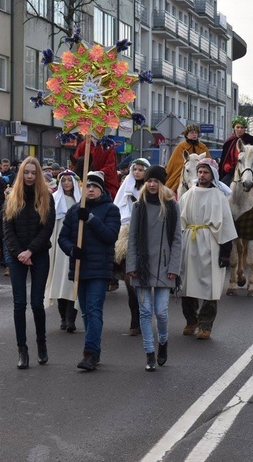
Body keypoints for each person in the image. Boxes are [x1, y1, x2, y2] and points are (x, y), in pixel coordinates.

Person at [58, 171, 121, 371]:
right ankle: (95, 348)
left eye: (94, 186)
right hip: (80, 267)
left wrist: (91, 219)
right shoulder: (75, 210)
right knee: (85, 311)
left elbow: (111, 236)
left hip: (99, 269)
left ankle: (90, 353)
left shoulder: (111, 210)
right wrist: (71, 249)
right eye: (88, 186)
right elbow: (63, 237)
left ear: (101, 189)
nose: (91, 189)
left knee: (94, 309)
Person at [125, 165, 182, 371]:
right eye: (149, 181)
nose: (151, 184)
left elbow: (177, 240)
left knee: (161, 312)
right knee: (145, 311)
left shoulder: (172, 205)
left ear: (161, 183)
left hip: (165, 266)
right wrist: (131, 265)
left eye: (155, 181)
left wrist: (174, 267)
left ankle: (163, 342)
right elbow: (131, 238)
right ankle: (149, 353)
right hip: (141, 267)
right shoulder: (138, 206)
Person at [3, 156, 56, 370]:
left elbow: (47, 229)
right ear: (21, 173)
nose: (30, 176)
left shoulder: (46, 198)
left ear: (39, 174)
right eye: (26, 172)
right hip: (17, 256)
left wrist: (31, 250)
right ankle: (22, 350)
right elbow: (7, 230)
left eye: (33, 173)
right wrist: (20, 253)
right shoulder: (11, 198)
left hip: (39, 254)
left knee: (36, 303)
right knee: (19, 303)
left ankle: (41, 345)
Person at [179, 158, 237, 340]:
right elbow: (179, 222)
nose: (202, 175)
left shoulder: (219, 196)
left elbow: (226, 224)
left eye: (206, 172)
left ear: (213, 175)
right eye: (200, 172)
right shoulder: (188, 195)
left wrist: (225, 252)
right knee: (186, 284)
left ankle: (206, 324)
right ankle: (191, 320)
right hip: (189, 241)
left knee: (210, 285)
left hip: (210, 242)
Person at [218, 116, 253, 238]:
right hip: (233, 172)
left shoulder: (251, 140)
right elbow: (225, 160)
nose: (240, 130)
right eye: (237, 127)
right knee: (220, 187)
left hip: (250, 171)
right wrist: (227, 168)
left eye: (242, 128)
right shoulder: (229, 142)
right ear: (234, 128)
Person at [113, 158, 149, 335]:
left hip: (148, 231)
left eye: (141, 170)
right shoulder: (126, 188)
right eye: (134, 169)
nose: (136, 172)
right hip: (127, 228)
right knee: (130, 281)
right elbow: (119, 206)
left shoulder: (152, 188)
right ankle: (135, 320)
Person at [43, 170, 81, 332]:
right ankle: (63, 318)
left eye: (69, 180)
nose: (66, 183)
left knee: (73, 283)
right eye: (63, 180)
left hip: (75, 245)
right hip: (58, 248)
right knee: (60, 281)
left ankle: (71, 319)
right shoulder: (55, 200)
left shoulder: (79, 201)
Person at [165, 124, 210, 193]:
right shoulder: (181, 147)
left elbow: (208, 161)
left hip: (200, 173)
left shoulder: (203, 147)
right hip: (183, 173)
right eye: (192, 132)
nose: (194, 135)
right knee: (178, 181)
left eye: (196, 133)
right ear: (187, 135)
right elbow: (175, 164)